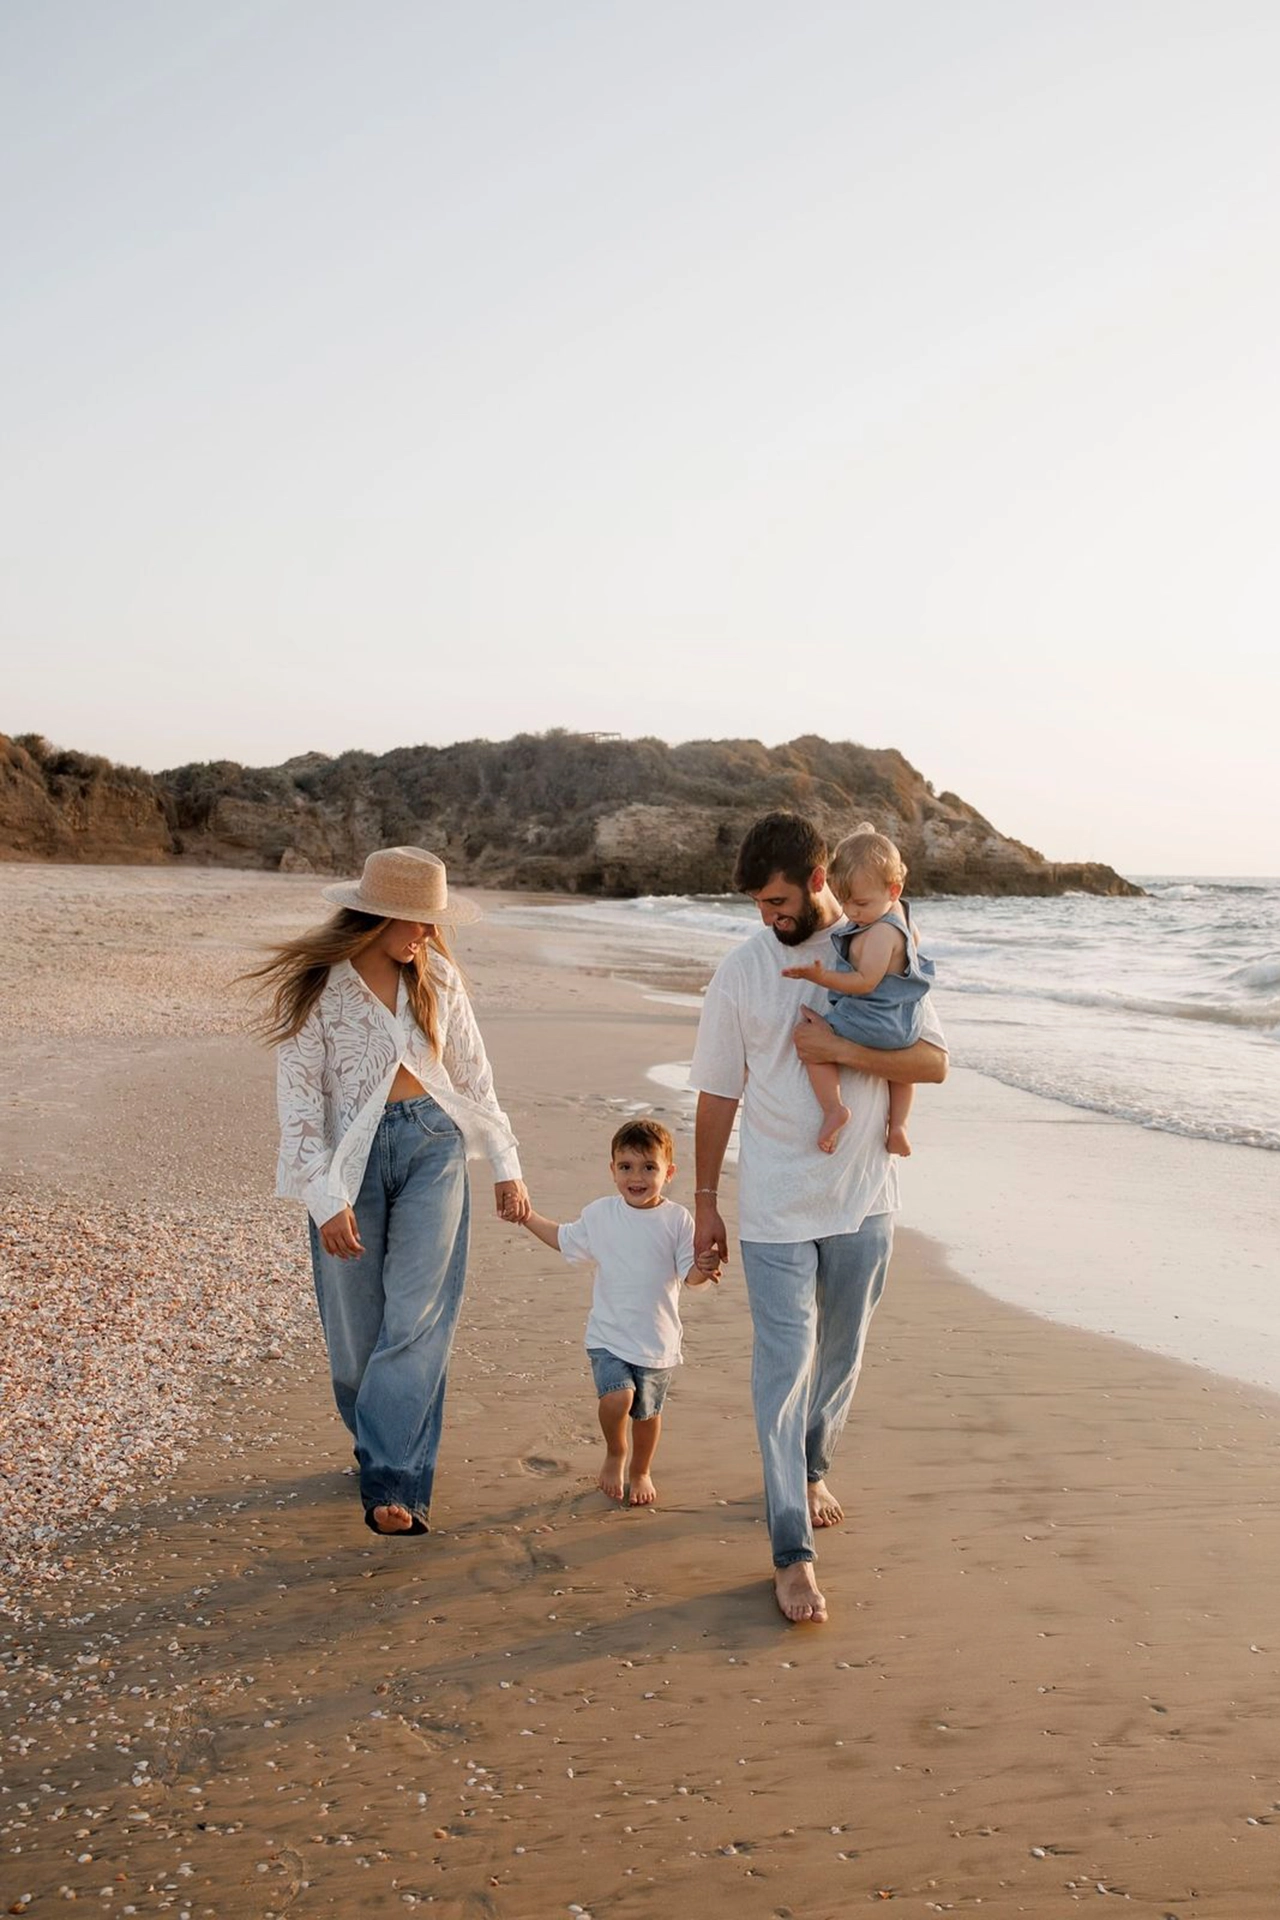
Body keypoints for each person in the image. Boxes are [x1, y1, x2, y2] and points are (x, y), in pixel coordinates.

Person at [689, 812, 947, 1623]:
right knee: (783, 1365)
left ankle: (810, 1464)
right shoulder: (740, 971)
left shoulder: (881, 947)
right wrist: (703, 1203)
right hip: (773, 1205)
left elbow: (932, 1061)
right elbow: (716, 1091)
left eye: (776, 901)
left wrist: (839, 1052)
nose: (768, 919)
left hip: (864, 1199)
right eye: (758, 906)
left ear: (819, 878)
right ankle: (791, 1551)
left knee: (841, 1351)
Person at [246, 845, 529, 1538]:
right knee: (355, 1339)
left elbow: (473, 1071)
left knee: (417, 1319)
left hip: (434, 1146)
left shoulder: (436, 975)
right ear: (374, 916)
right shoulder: (318, 987)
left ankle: (393, 1480)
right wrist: (324, 1197)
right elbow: (301, 1106)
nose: (428, 934)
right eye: (416, 921)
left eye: (431, 921)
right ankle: (376, 1438)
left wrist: (505, 1162)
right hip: (351, 1161)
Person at [514, 1118, 717, 1506]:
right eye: (625, 1167)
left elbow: (690, 1276)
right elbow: (564, 1238)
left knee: (647, 1415)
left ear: (668, 1172)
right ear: (612, 1170)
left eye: (648, 1167)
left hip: (656, 1341)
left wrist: (704, 1267)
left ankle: (641, 1469)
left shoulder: (677, 1220)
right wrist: (527, 1217)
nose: (635, 1177)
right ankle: (615, 1453)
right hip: (607, 1336)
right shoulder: (601, 1214)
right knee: (617, 1397)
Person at [780, 826, 935, 1156]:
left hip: (874, 1022)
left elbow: (864, 982)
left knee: (811, 1039)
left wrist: (820, 978)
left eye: (861, 903)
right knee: (900, 1074)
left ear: (894, 891)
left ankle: (834, 1108)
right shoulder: (901, 918)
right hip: (904, 1026)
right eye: (845, 901)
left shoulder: (880, 934)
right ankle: (899, 1127)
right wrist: (864, 836)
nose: (851, 913)